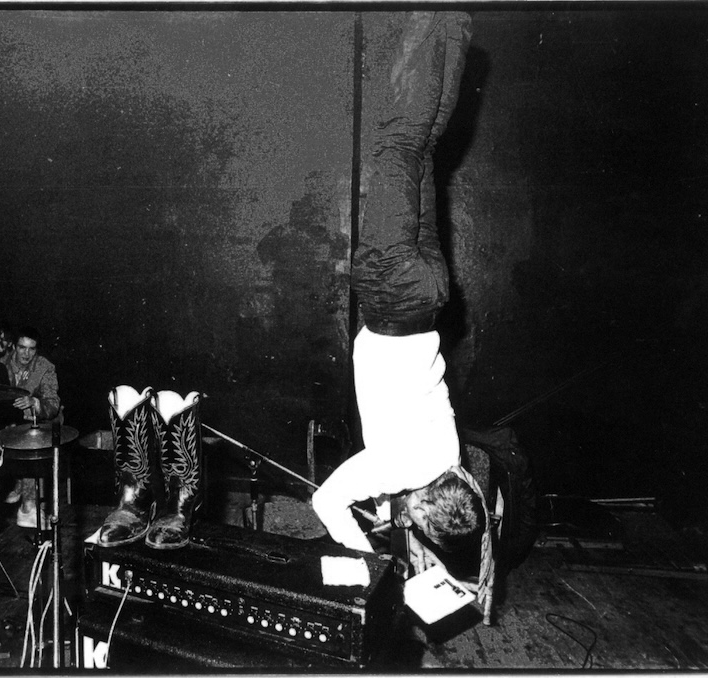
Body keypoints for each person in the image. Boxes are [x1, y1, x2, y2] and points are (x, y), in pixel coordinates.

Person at [311, 12, 492, 598]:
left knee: (423, 151)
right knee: (396, 142)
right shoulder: (393, 469)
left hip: (431, 296)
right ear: (418, 512)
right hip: (390, 297)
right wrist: (373, 564)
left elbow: (431, 498)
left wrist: (422, 523)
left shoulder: (451, 459)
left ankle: (452, 28)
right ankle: (424, 14)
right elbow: (326, 502)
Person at [1, 325, 62, 528]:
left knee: (30, 441)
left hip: (35, 422)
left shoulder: (45, 367)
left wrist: (34, 402)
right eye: (22, 347)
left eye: (32, 349)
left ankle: (28, 506)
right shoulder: (1, 364)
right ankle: (17, 485)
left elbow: (52, 404)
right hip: (6, 423)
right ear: (13, 347)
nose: (26, 354)